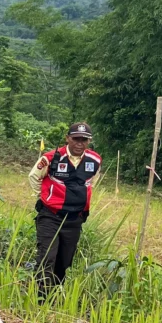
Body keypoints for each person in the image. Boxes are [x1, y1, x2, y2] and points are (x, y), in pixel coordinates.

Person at [28, 122, 101, 297]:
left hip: (75, 219)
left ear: (88, 141)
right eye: (76, 139)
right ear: (68, 138)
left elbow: (92, 181)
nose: (80, 143)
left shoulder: (95, 160)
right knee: (47, 257)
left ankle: (54, 296)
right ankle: (40, 298)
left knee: (64, 261)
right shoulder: (51, 158)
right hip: (50, 216)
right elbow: (33, 177)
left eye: (84, 140)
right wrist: (45, 197)